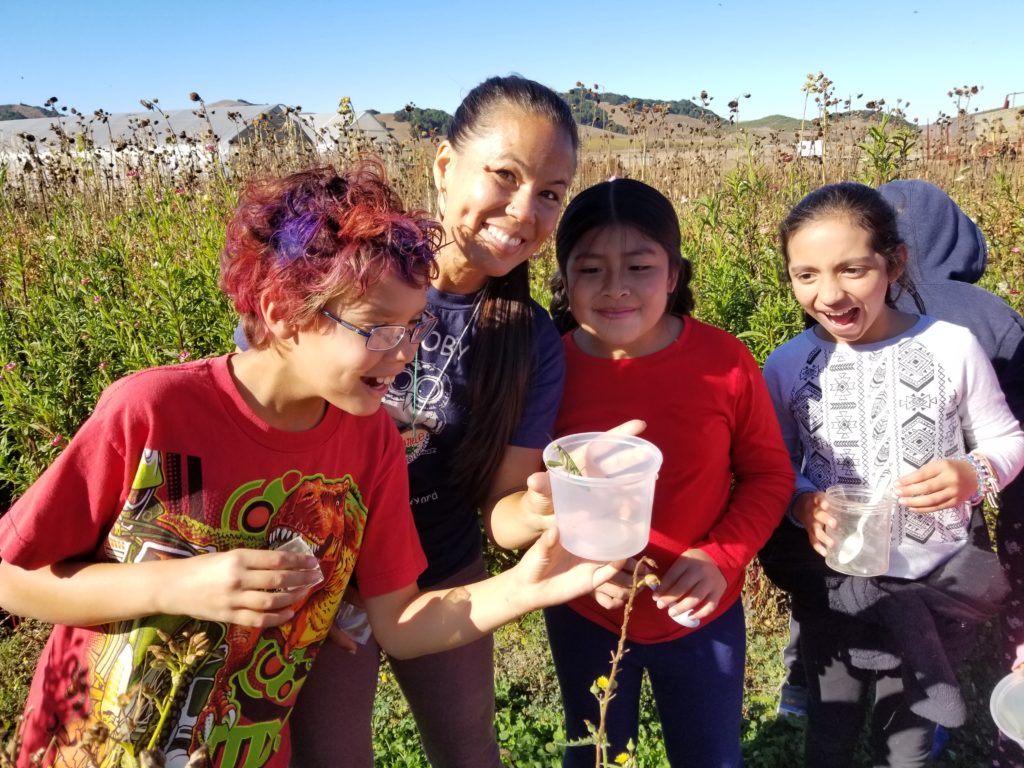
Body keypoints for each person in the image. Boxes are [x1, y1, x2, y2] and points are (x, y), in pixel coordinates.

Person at [0, 162, 617, 768]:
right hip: (92, 747)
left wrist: (523, 587)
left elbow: (399, 623)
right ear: (280, 312)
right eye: (378, 328)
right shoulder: (153, 411)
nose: (403, 353)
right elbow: (10, 578)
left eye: (414, 326)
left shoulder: (373, 439)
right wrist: (175, 585)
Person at [287, 75, 579, 767]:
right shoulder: (346, 270)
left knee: (470, 751)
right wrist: (301, 571)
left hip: (441, 565)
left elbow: (500, 512)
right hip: (323, 572)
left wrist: (542, 511)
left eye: (549, 194)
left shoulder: (528, 338)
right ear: (446, 167)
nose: (522, 210)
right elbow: (266, 413)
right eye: (503, 175)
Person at [524, 178, 794, 766]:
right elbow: (536, 492)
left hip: (702, 614)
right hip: (585, 614)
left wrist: (719, 557)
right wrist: (582, 569)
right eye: (591, 269)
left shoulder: (723, 361)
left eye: (640, 266)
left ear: (673, 275)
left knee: (710, 755)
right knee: (591, 753)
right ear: (564, 281)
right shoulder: (547, 370)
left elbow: (768, 476)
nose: (616, 287)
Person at [760, 181, 1024, 767]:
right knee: (830, 724)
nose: (829, 294)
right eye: (805, 275)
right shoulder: (785, 364)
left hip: (936, 583)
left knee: (908, 741)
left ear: (894, 262)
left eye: (852, 269)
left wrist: (974, 472)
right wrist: (803, 504)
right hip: (837, 586)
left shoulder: (952, 347)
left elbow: (1007, 439)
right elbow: (774, 465)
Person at [880, 178, 1024, 766]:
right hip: (963, 495)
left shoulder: (874, 305)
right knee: (960, 596)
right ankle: (953, 706)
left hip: (877, 504)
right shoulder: (992, 314)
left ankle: (808, 691)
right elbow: (1014, 427)